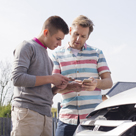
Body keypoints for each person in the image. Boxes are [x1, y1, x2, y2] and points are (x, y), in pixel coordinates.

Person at [51, 15, 113, 136]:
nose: (78, 39)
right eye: (76, 34)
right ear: (69, 31)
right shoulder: (57, 55)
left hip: (93, 118)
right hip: (67, 118)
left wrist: (97, 83)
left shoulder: (97, 53)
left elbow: (108, 82)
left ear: (88, 37)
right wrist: (70, 87)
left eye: (83, 36)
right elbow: (54, 86)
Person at [11, 16, 70, 136]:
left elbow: (43, 90)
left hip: (46, 116)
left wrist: (57, 88)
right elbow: (17, 78)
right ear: (46, 32)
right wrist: (52, 78)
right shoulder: (27, 46)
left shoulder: (49, 60)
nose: (60, 44)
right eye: (58, 39)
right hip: (28, 114)